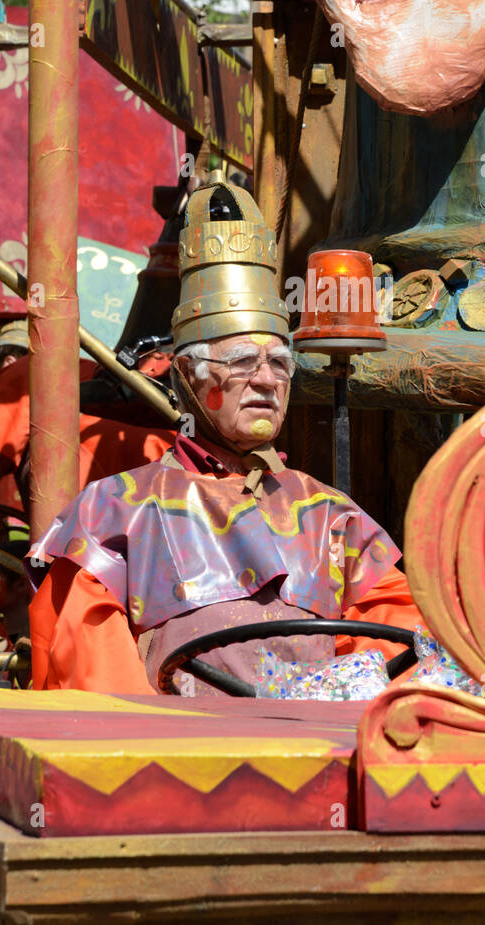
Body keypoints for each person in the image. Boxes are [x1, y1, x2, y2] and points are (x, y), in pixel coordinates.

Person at [29, 171, 420, 695]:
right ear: (189, 376)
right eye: (241, 362)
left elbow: (399, 650)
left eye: (280, 364)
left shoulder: (332, 516)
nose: (265, 379)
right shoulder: (115, 512)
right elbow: (97, 685)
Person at [0, 352, 177, 515]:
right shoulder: (80, 371)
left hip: (117, 521)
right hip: (178, 501)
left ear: (8, 361)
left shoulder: (23, 369)